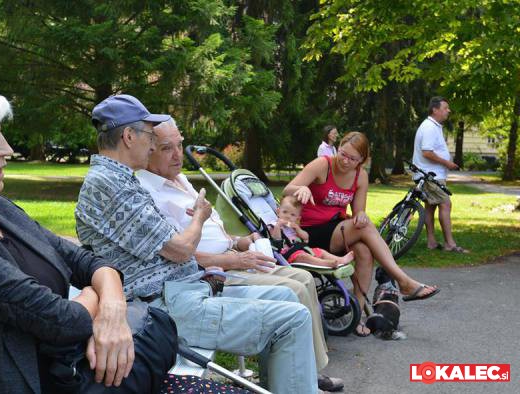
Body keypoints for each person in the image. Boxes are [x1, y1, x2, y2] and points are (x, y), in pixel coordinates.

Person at [0, 82, 236, 394]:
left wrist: (111, 306)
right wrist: (94, 294)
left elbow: (84, 260)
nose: (7, 149)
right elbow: (61, 320)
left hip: (87, 373)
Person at [76, 94, 320, 394]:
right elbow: (180, 248)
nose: (151, 145)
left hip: (184, 292)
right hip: (165, 306)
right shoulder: (109, 185)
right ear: (128, 136)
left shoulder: (122, 181)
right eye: (150, 137)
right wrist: (200, 218)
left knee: (287, 299)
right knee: (292, 320)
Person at [135, 118, 344, 392]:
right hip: (209, 276)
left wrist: (242, 242)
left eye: (180, 145)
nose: (177, 154)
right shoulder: (149, 193)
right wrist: (232, 259)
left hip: (225, 262)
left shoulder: (179, 179)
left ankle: (300, 375)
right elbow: (181, 253)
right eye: (167, 148)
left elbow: (205, 235)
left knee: (299, 283)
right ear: (148, 151)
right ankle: (304, 378)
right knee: (293, 294)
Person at [284, 131, 440, 337]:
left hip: (336, 229)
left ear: (362, 160)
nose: (345, 161)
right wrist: (301, 189)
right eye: (342, 154)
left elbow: (358, 213)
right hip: (308, 231)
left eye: (352, 158)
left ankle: (356, 313)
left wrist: (361, 216)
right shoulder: (323, 165)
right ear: (338, 148)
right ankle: (403, 281)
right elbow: (288, 189)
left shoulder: (360, 176)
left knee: (364, 250)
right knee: (364, 230)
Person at [412, 96, 468, 253]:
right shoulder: (429, 127)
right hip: (431, 176)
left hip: (431, 175)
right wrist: (447, 163)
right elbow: (427, 152)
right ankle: (450, 244)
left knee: (430, 208)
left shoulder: (433, 126)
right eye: (445, 108)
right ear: (435, 110)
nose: (448, 111)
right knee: (445, 203)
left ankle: (431, 242)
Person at [271, 195, 355, 269]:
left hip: (301, 249)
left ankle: (341, 260)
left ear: (297, 218)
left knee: (320, 251)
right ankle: (326, 264)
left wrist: (298, 229)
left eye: (292, 215)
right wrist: (278, 226)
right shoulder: (273, 225)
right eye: (285, 212)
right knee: (303, 256)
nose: (288, 216)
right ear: (278, 212)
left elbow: (306, 237)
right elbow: (275, 239)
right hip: (288, 255)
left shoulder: (293, 227)